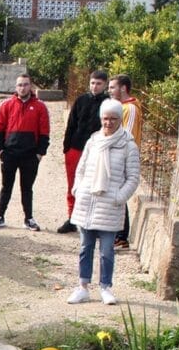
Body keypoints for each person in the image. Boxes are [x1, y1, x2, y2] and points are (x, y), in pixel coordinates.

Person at [67, 99, 140, 306]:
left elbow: (133, 178)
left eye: (113, 119)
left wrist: (118, 197)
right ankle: (82, 287)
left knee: (107, 250)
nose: (108, 123)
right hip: (88, 202)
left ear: (120, 120)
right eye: (105, 119)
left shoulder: (128, 145)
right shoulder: (93, 141)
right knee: (85, 247)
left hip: (110, 205)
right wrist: (78, 189)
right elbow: (81, 169)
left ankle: (105, 287)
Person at [0, 73, 49, 232]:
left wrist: (40, 153)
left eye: (25, 84)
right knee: (6, 186)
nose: (22, 88)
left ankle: (28, 218)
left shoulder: (40, 107)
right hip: (9, 153)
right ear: (16, 87)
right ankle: (0, 215)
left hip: (30, 155)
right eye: (20, 85)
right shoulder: (6, 105)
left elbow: (44, 132)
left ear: (31, 86)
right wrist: (0, 150)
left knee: (27, 188)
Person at [59, 70, 108, 234]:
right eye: (93, 83)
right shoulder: (81, 100)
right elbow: (71, 124)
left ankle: (92, 221)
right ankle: (72, 217)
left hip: (96, 151)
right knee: (73, 184)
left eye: (99, 83)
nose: (95, 86)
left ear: (105, 85)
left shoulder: (108, 103)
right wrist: (67, 147)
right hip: (76, 148)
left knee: (94, 186)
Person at [108, 74, 141, 249]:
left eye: (112, 87)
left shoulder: (131, 109)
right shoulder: (122, 107)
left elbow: (127, 136)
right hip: (118, 156)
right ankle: (116, 234)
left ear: (123, 88)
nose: (109, 90)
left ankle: (121, 236)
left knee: (120, 196)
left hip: (125, 159)